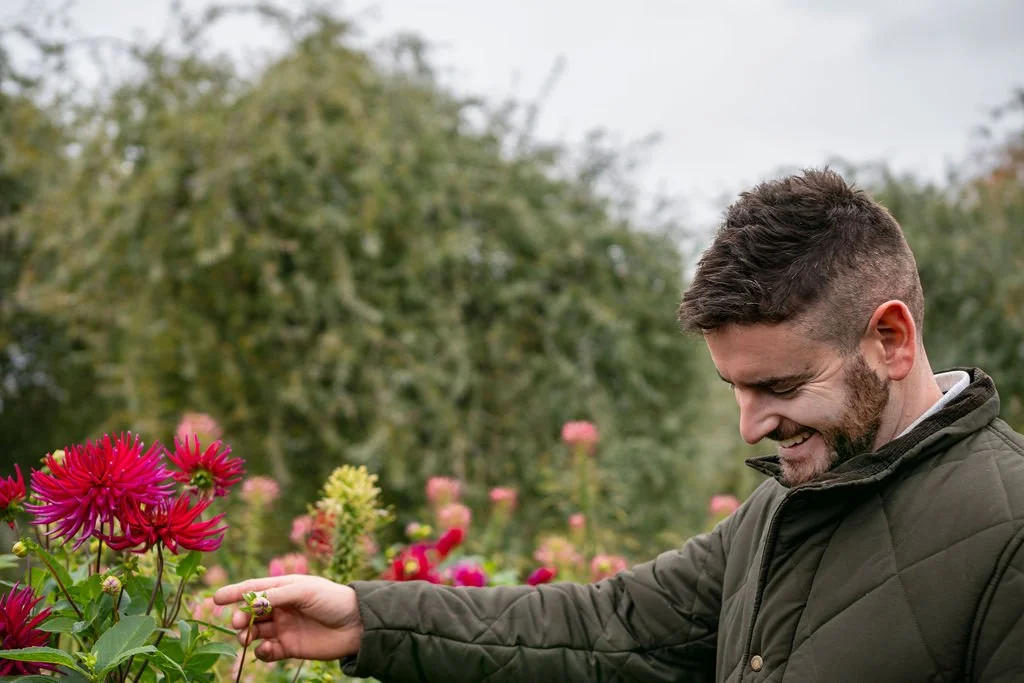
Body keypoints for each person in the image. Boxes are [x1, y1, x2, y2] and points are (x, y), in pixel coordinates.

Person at [214, 169, 1024, 682]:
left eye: (779, 385)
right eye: (734, 388)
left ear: (890, 339)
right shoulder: (783, 511)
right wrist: (368, 616)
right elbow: (606, 628)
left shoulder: (1008, 533)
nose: (750, 428)